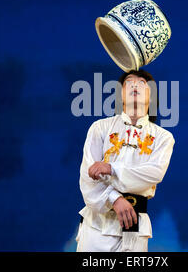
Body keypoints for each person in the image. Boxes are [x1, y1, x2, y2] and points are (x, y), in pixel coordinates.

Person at [76, 69, 175, 252]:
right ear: (120, 94)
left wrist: (111, 168)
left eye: (142, 83)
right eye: (129, 82)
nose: (135, 85)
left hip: (135, 227)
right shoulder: (100, 128)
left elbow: (154, 173)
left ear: (152, 96)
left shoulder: (163, 137)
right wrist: (115, 199)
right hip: (96, 226)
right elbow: (87, 175)